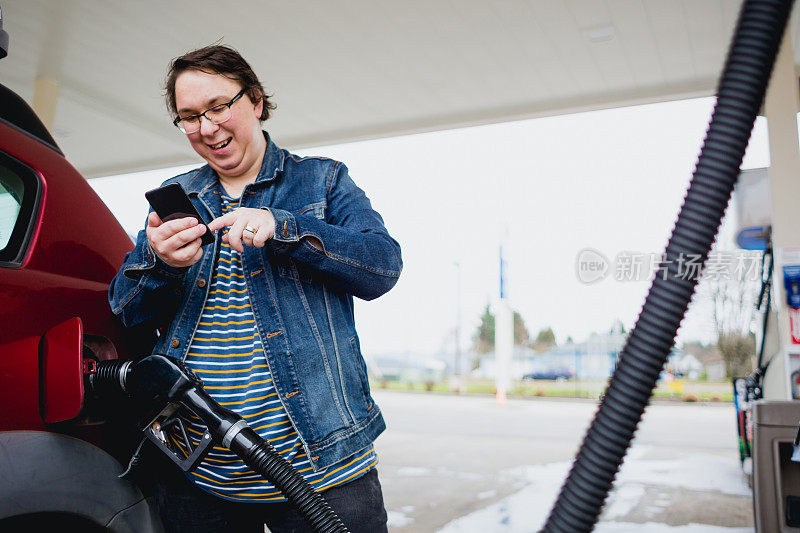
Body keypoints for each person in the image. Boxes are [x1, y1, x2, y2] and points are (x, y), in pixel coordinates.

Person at [108, 44, 402, 533]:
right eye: (189, 117)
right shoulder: (178, 197)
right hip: (196, 471)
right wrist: (157, 262)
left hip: (323, 467)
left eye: (219, 106)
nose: (207, 128)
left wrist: (282, 228)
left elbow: (383, 267)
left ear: (257, 101)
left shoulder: (322, 181)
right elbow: (126, 309)